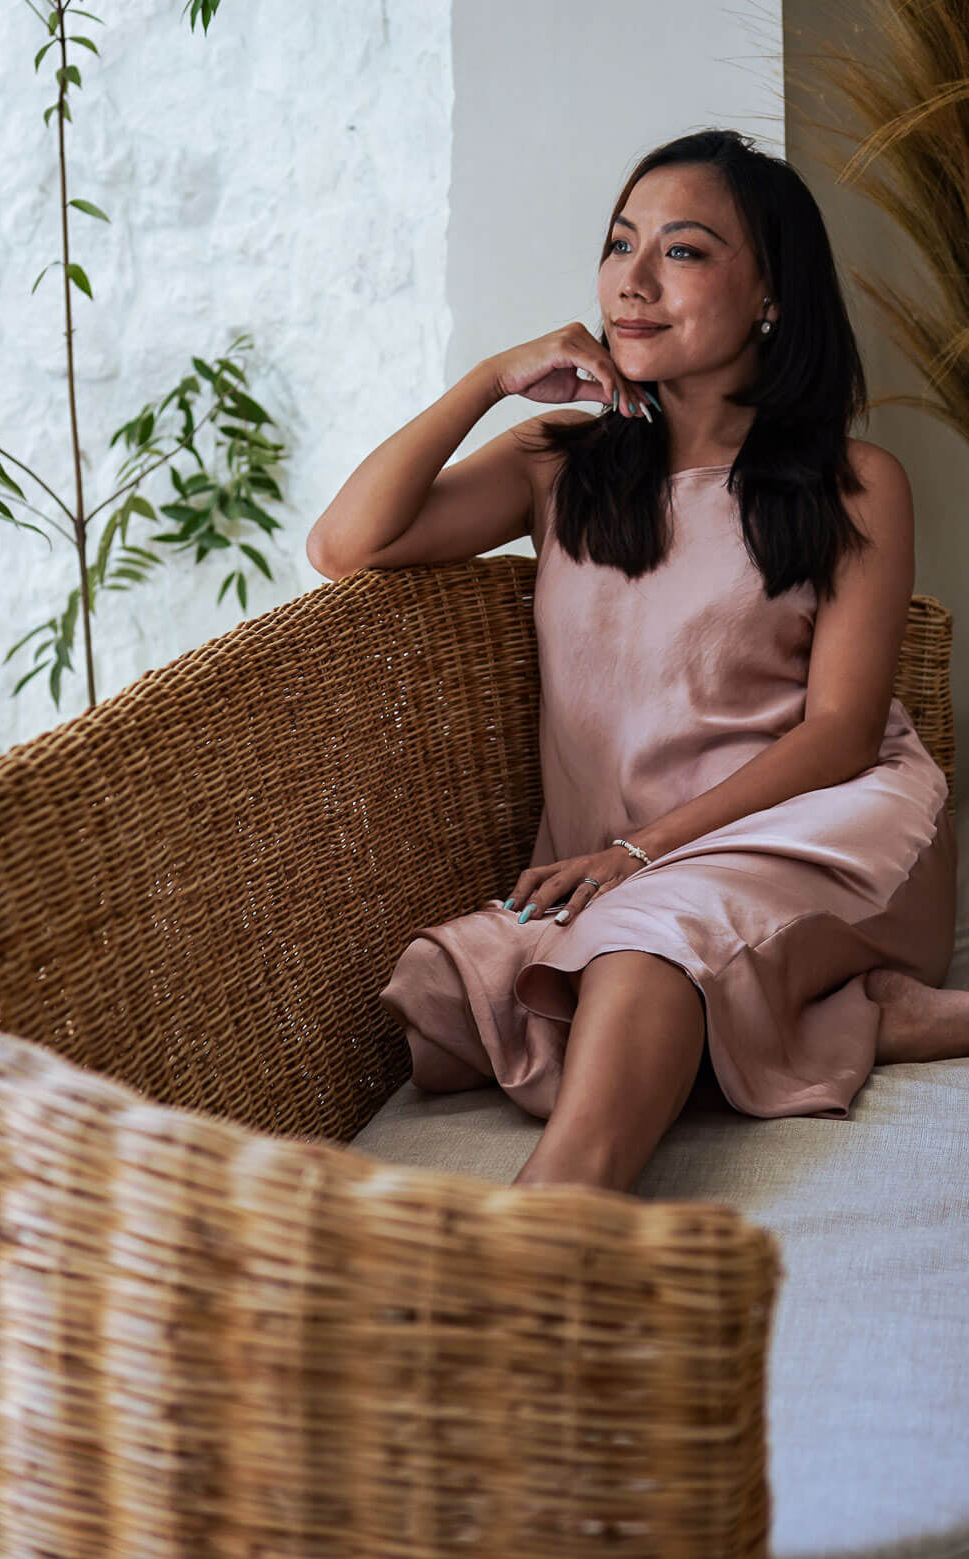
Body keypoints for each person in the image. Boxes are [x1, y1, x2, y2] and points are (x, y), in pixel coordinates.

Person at [305, 128, 963, 1195]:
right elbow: (347, 545)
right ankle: (850, 1017)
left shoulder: (854, 482)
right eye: (620, 244)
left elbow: (841, 733)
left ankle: (553, 1220)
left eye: (685, 252)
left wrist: (640, 851)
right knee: (468, 991)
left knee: (644, 943)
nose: (633, 281)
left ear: (772, 296)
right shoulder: (558, 465)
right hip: (623, 862)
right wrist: (488, 378)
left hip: (826, 832)